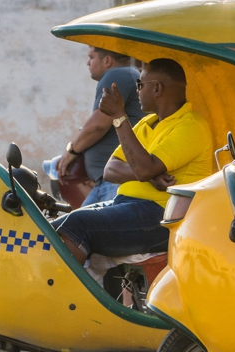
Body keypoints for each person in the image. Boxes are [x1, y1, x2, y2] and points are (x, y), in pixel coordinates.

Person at [55, 58, 213, 265]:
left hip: (162, 216)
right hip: (128, 205)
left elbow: (144, 168)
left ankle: (65, 291)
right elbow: (110, 169)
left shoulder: (191, 126)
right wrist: (149, 175)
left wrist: (119, 117)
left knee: (75, 225)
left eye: (140, 85)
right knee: (55, 227)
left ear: (156, 88)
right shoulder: (146, 123)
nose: (137, 90)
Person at [53, 48, 143, 204]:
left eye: (91, 57)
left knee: (85, 227)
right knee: (75, 226)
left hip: (116, 183)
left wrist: (72, 150)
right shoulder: (127, 74)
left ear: (107, 60)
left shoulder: (117, 74)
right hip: (107, 182)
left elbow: (99, 125)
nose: (88, 62)